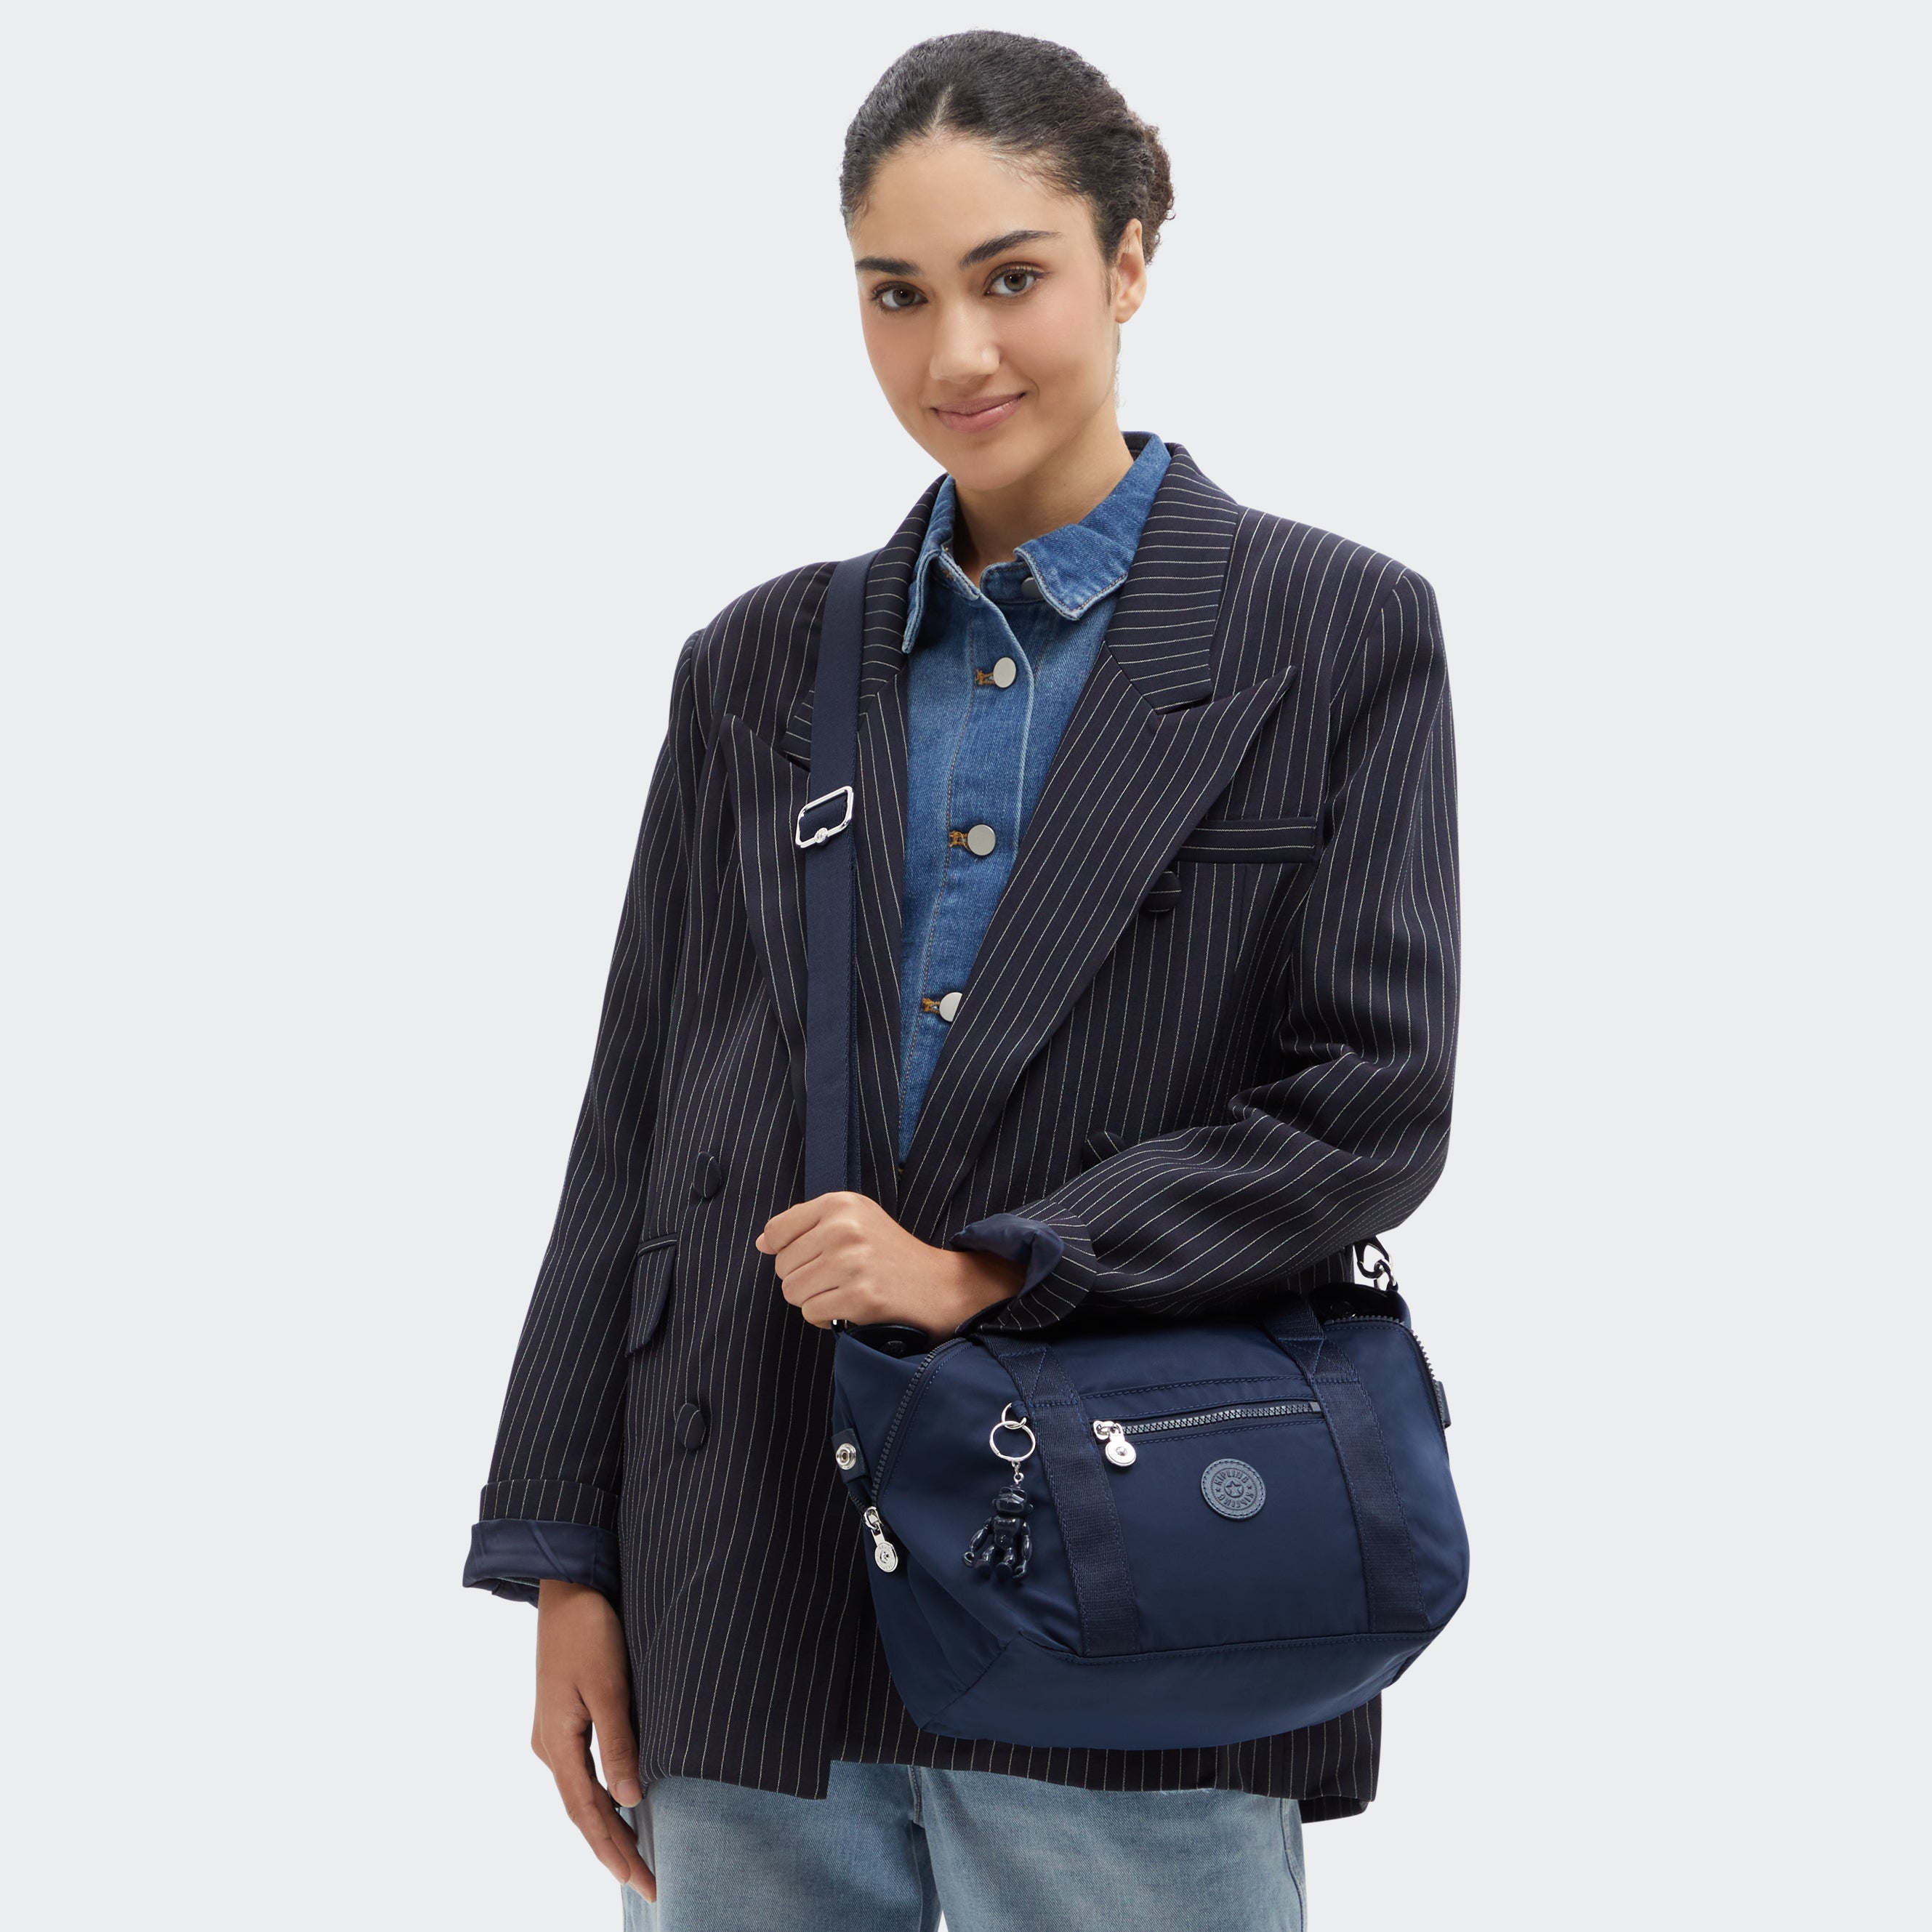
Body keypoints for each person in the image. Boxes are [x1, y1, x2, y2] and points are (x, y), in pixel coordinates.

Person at [463, 28, 1459, 1931]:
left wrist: (998, 1264)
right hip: (743, 1579)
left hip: (1128, 1570)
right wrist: (565, 1556)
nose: (955, 355)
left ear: (1130, 259)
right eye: (896, 293)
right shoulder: (757, 664)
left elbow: (1366, 1104)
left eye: (1012, 277)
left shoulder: (1330, 630)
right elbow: (635, 1124)